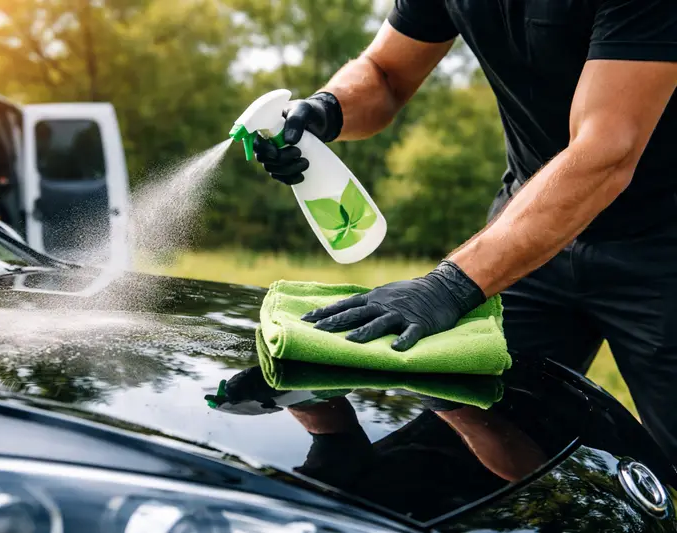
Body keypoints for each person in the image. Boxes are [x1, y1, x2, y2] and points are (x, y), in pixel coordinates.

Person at [253, 2, 677, 462]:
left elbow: (607, 150)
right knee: (466, 420)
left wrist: (449, 285)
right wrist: (326, 109)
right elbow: (385, 73)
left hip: (662, 242)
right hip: (531, 235)